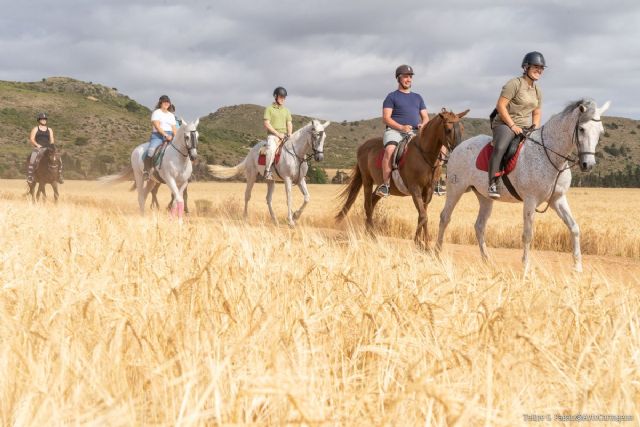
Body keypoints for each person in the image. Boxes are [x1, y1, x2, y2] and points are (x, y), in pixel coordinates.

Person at [488, 51, 545, 198]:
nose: (539, 70)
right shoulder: (514, 84)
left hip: (525, 128)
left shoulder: (538, 91)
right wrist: (512, 126)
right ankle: (492, 183)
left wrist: (535, 128)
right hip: (505, 124)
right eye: (536, 66)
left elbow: (537, 112)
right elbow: (500, 106)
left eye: (541, 68)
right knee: (501, 147)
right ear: (526, 67)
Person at [376, 64, 429, 197]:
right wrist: (401, 127)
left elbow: (426, 117)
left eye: (410, 77)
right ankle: (386, 185)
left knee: (434, 148)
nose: (409, 79)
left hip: (415, 132)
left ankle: (436, 182)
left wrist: (423, 124)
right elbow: (386, 118)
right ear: (399, 78)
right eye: (405, 77)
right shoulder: (391, 97)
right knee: (389, 150)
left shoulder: (418, 97)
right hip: (395, 131)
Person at [143, 95, 177, 180]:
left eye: (168, 102)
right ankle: (146, 171)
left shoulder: (171, 115)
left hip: (170, 135)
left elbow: (174, 128)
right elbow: (157, 126)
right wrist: (165, 135)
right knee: (151, 150)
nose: (166, 103)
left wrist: (175, 137)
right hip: (158, 136)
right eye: (164, 102)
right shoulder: (156, 113)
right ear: (160, 103)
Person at [263, 86, 293, 180]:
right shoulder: (269, 109)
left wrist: (290, 133)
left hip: (284, 136)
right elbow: (266, 124)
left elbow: (289, 123)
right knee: (271, 149)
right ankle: (267, 171)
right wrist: (277, 134)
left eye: (284, 97)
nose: (283, 99)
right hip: (273, 136)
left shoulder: (286, 110)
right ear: (275, 96)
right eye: (281, 97)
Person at [27, 112, 63, 184]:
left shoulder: (49, 129)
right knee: (32, 159)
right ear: (39, 120)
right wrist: (37, 145)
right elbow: (31, 139)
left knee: (59, 159)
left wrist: (52, 146)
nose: (44, 120)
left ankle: (59, 176)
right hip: (38, 148)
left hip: (48, 148)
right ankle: (30, 176)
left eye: (45, 119)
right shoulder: (35, 129)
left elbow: (52, 139)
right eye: (42, 119)